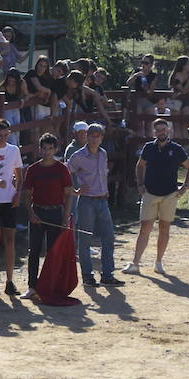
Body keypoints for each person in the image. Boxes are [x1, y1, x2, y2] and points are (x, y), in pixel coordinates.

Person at [124, 118, 189, 276]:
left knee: (164, 228)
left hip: (170, 194)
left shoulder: (176, 149)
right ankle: (135, 263)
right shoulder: (148, 148)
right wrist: (140, 184)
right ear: (154, 132)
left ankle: (159, 263)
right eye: (158, 130)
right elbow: (140, 165)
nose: (161, 132)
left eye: (163, 129)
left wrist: (185, 187)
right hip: (150, 193)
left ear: (168, 130)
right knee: (145, 227)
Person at [68, 123, 124, 287]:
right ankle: (87, 275)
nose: (94, 138)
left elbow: (102, 175)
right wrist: (75, 190)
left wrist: (105, 190)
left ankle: (107, 274)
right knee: (85, 240)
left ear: (101, 138)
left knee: (109, 237)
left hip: (101, 199)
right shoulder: (78, 155)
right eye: (91, 135)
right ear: (87, 136)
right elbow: (66, 172)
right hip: (86, 201)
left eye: (97, 136)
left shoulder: (103, 153)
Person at [21, 134, 74, 299]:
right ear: (39, 149)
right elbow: (27, 195)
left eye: (50, 148)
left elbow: (69, 194)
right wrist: (31, 213)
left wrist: (65, 217)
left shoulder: (62, 169)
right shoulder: (33, 169)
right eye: (44, 148)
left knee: (53, 252)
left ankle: (51, 286)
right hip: (38, 212)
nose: (47, 152)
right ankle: (32, 286)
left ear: (56, 150)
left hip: (56, 212)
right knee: (34, 251)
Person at [0, 119, 24, 297]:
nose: (2, 137)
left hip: (9, 200)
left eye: (5, 134)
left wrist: (18, 193)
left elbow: (19, 176)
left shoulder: (14, 150)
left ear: (9, 133)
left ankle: (9, 281)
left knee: (9, 240)